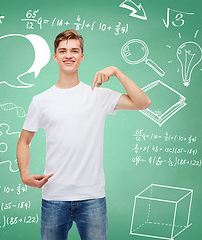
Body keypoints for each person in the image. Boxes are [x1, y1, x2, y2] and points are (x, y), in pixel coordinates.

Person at [17, 29, 151, 240]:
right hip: (54, 196)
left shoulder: (98, 95)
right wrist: (25, 176)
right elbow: (24, 141)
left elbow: (143, 103)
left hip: (92, 198)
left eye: (74, 50)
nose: (68, 55)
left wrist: (117, 72)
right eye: (63, 51)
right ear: (55, 56)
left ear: (82, 56)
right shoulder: (41, 100)